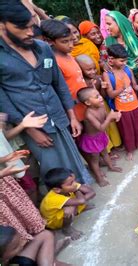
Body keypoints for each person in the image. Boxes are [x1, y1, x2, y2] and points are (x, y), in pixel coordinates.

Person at [0, 1, 92, 184]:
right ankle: (60, 206)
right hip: (34, 123)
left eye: (31, 27)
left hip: (58, 116)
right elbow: (3, 100)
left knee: (72, 158)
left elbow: (59, 85)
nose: (30, 32)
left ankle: (79, 191)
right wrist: (30, 130)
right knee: (52, 167)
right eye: (23, 28)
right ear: (3, 25)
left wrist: (72, 116)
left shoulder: (42, 48)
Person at [102, 44, 138, 161]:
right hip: (121, 108)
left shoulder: (127, 69)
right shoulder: (107, 74)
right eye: (121, 61)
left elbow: (134, 85)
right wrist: (122, 88)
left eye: (125, 60)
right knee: (127, 130)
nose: (124, 63)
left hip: (134, 104)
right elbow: (110, 94)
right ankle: (130, 150)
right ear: (111, 60)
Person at [41, 19, 88, 123]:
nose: (71, 44)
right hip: (75, 114)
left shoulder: (69, 55)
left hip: (85, 108)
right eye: (65, 42)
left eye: (71, 40)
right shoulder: (55, 63)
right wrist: (73, 118)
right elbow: (60, 91)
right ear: (49, 41)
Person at [76, 54, 123, 157]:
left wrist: (102, 87)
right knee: (101, 130)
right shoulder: (81, 83)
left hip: (102, 105)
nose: (93, 71)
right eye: (88, 70)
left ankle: (115, 145)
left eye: (94, 68)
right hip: (93, 110)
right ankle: (107, 150)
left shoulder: (98, 78)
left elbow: (103, 95)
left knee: (111, 127)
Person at [77, 88, 122, 187]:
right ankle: (99, 178)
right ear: (88, 102)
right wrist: (110, 117)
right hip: (92, 140)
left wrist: (115, 118)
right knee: (95, 160)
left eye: (99, 95)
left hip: (100, 136)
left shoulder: (101, 107)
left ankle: (111, 167)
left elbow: (107, 120)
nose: (101, 97)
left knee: (105, 152)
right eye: (97, 97)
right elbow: (101, 127)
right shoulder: (89, 114)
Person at [40, 168, 96, 240]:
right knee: (69, 209)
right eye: (71, 183)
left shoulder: (69, 185)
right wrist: (77, 191)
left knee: (78, 197)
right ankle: (67, 228)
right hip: (54, 222)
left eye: (74, 180)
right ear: (57, 189)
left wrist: (80, 197)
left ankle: (79, 208)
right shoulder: (53, 198)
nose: (75, 184)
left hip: (68, 206)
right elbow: (81, 200)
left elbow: (92, 192)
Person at [0, 225, 69, 266]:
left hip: (10, 259)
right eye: (15, 247)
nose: (23, 242)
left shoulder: (7, 252)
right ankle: (52, 260)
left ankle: (50, 259)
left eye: (21, 238)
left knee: (45, 234)